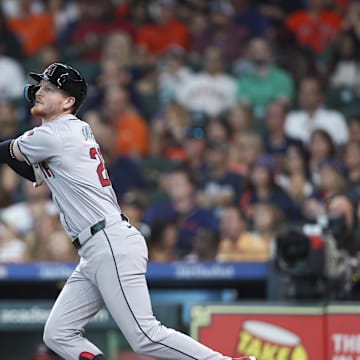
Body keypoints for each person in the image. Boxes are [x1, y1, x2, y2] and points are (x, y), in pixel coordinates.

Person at [0, 62, 256, 360]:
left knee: (145, 336)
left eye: (49, 89)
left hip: (107, 241)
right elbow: (31, 171)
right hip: (97, 247)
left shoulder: (54, 134)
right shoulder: (70, 131)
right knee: (58, 333)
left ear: (68, 101)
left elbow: (6, 151)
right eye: (41, 87)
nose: (39, 92)